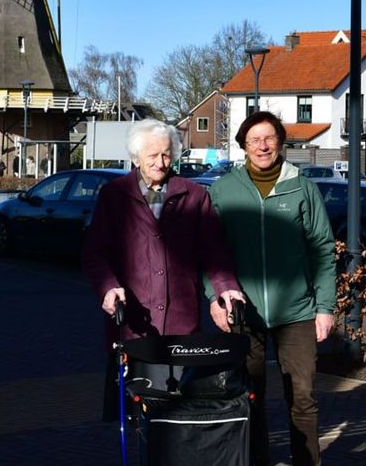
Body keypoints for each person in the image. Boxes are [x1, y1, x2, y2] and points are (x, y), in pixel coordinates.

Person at [82, 118, 245, 420]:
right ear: (136, 156)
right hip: (134, 324)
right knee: (137, 417)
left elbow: (214, 252)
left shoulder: (194, 195)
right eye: (152, 155)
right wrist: (107, 287)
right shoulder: (114, 196)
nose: (160, 162)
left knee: (178, 417)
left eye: (167, 154)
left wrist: (226, 288)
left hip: (181, 325)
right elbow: (95, 253)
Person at [208, 111, 337, 466]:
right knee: (249, 397)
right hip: (242, 313)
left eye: (268, 138)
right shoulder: (223, 190)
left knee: (303, 397)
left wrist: (325, 306)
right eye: (254, 140)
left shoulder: (303, 188)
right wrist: (214, 298)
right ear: (243, 146)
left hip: (296, 312)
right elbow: (210, 251)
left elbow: (323, 249)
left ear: (280, 141)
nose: (262, 146)